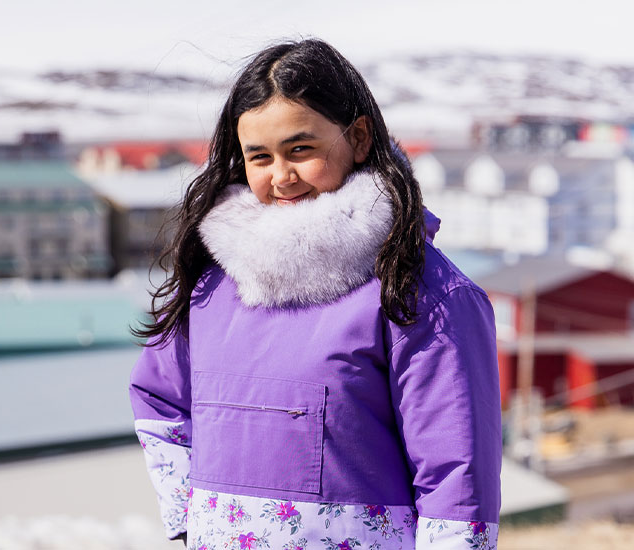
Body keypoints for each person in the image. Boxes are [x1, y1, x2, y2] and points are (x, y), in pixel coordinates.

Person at [129, 38, 502, 550]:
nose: (281, 177)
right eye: (259, 157)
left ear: (360, 137)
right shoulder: (214, 284)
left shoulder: (423, 294)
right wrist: (193, 520)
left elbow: (457, 477)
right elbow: (159, 399)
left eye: (300, 149)